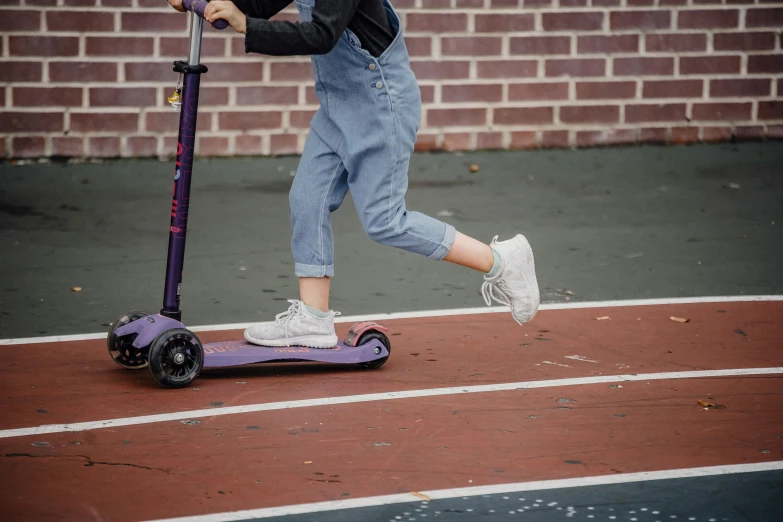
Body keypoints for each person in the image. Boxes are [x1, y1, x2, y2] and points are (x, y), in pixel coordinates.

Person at [167, 0, 540, 348]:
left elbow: (322, 35)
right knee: (307, 198)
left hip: (380, 107)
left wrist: (245, 25)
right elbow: (259, 3)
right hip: (337, 106)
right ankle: (313, 319)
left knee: (386, 221)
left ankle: (502, 260)